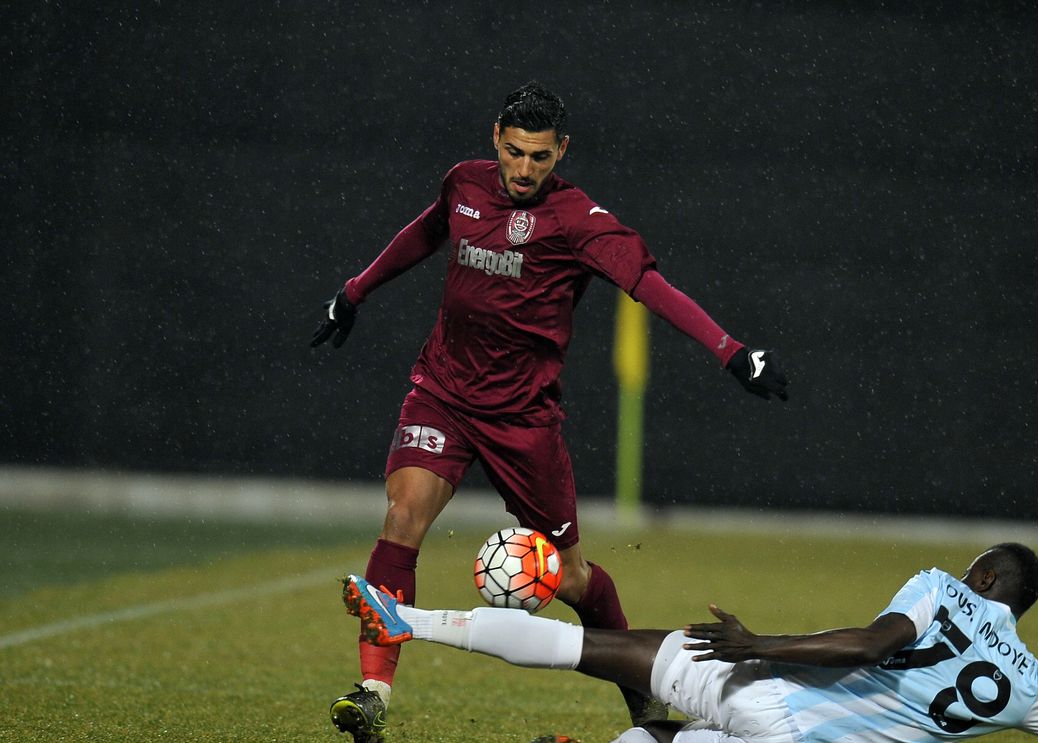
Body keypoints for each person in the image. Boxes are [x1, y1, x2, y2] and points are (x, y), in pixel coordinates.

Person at [311, 81, 788, 742]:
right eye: (514, 152)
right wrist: (355, 290)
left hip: (522, 419)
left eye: (540, 155)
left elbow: (650, 288)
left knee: (572, 577)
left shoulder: (580, 221)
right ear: (495, 142)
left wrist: (731, 351)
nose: (525, 168)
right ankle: (372, 690)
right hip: (443, 392)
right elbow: (425, 231)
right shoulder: (464, 185)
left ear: (561, 150)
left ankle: (643, 690)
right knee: (401, 516)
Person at [338, 542, 1038, 743]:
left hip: (770, 691)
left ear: (988, 576)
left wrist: (760, 642)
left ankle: (412, 620)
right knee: (658, 734)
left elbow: (871, 643)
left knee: (607, 648)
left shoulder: (945, 587)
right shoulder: (1036, 686)